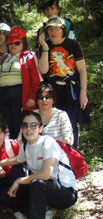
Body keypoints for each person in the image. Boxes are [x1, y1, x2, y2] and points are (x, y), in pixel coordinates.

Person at [0, 111, 77, 219]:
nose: (29, 128)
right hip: (43, 189)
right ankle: (43, 211)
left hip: (65, 192)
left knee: (37, 183)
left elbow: (45, 175)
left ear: (40, 128)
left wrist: (19, 180)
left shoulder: (47, 142)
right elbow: (16, 160)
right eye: (25, 125)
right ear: (22, 128)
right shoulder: (26, 145)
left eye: (33, 125)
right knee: (6, 195)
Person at [38, 15, 88, 148]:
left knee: (71, 126)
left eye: (57, 29)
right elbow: (43, 70)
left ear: (63, 30)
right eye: (50, 30)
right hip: (53, 91)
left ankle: (72, 157)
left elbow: (82, 70)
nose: (53, 33)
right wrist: (44, 47)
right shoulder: (44, 46)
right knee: (54, 124)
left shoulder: (73, 45)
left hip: (71, 90)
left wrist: (83, 92)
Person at [0, 26, 41, 139]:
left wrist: (32, 96)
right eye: (10, 43)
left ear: (23, 43)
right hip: (3, 96)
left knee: (17, 126)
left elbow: (36, 80)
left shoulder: (29, 56)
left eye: (17, 43)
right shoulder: (5, 57)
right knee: (5, 125)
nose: (13, 46)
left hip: (18, 96)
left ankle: (19, 151)